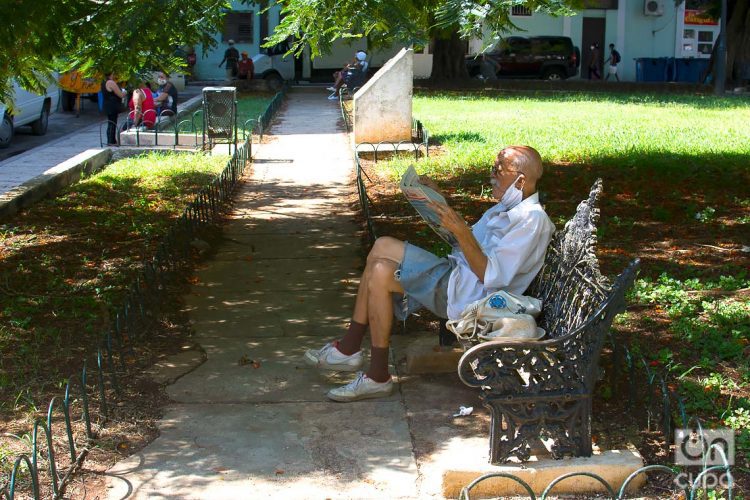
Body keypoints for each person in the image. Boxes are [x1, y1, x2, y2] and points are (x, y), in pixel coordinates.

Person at [305, 146, 556, 401]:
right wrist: (438, 201)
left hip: (469, 298)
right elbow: (465, 246)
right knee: (381, 249)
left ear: (521, 180)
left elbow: (491, 277)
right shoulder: (505, 209)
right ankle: (356, 356)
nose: (491, 175)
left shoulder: (531, 221)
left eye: (498, 170)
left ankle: (364, 363)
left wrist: (461, 231)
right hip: (457, 277)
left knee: (380, 271)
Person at [101, 72, 126, 146]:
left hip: (108, 105)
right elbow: (120, 94)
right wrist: (124, 92)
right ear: (111, 73)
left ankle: (111, 140)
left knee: (111, 122)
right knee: (112, 123)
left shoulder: (103, 82)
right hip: (112, 105)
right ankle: (111, 141)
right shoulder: (110, 82)